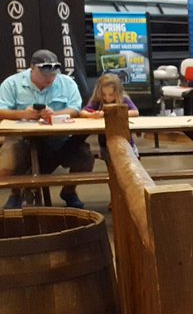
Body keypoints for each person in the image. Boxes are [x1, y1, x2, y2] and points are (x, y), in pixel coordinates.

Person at [0, 49, 94, 209]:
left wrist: (54, 114)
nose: (49, 79)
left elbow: (75, 109)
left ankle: (69, 191)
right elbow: (2, 110)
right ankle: (15, 193)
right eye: (44, 75)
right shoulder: (11, 83)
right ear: (32, 68)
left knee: (85, 158)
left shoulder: (67, 83)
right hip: (21, 138)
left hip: (60, 138)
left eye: (53, 75)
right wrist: (23, 114)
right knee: (9, 160)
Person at [80, 73, 140, 163]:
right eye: (104, 94)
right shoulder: (98, 101)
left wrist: (117, 113)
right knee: (110, 164)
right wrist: (93, 115)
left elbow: (135, 112)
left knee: (130, 164)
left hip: (126, 142)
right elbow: (82, 112)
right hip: (105, 143)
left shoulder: (124, 99)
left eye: (111, 94)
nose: (107, 98)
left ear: (118, 92)